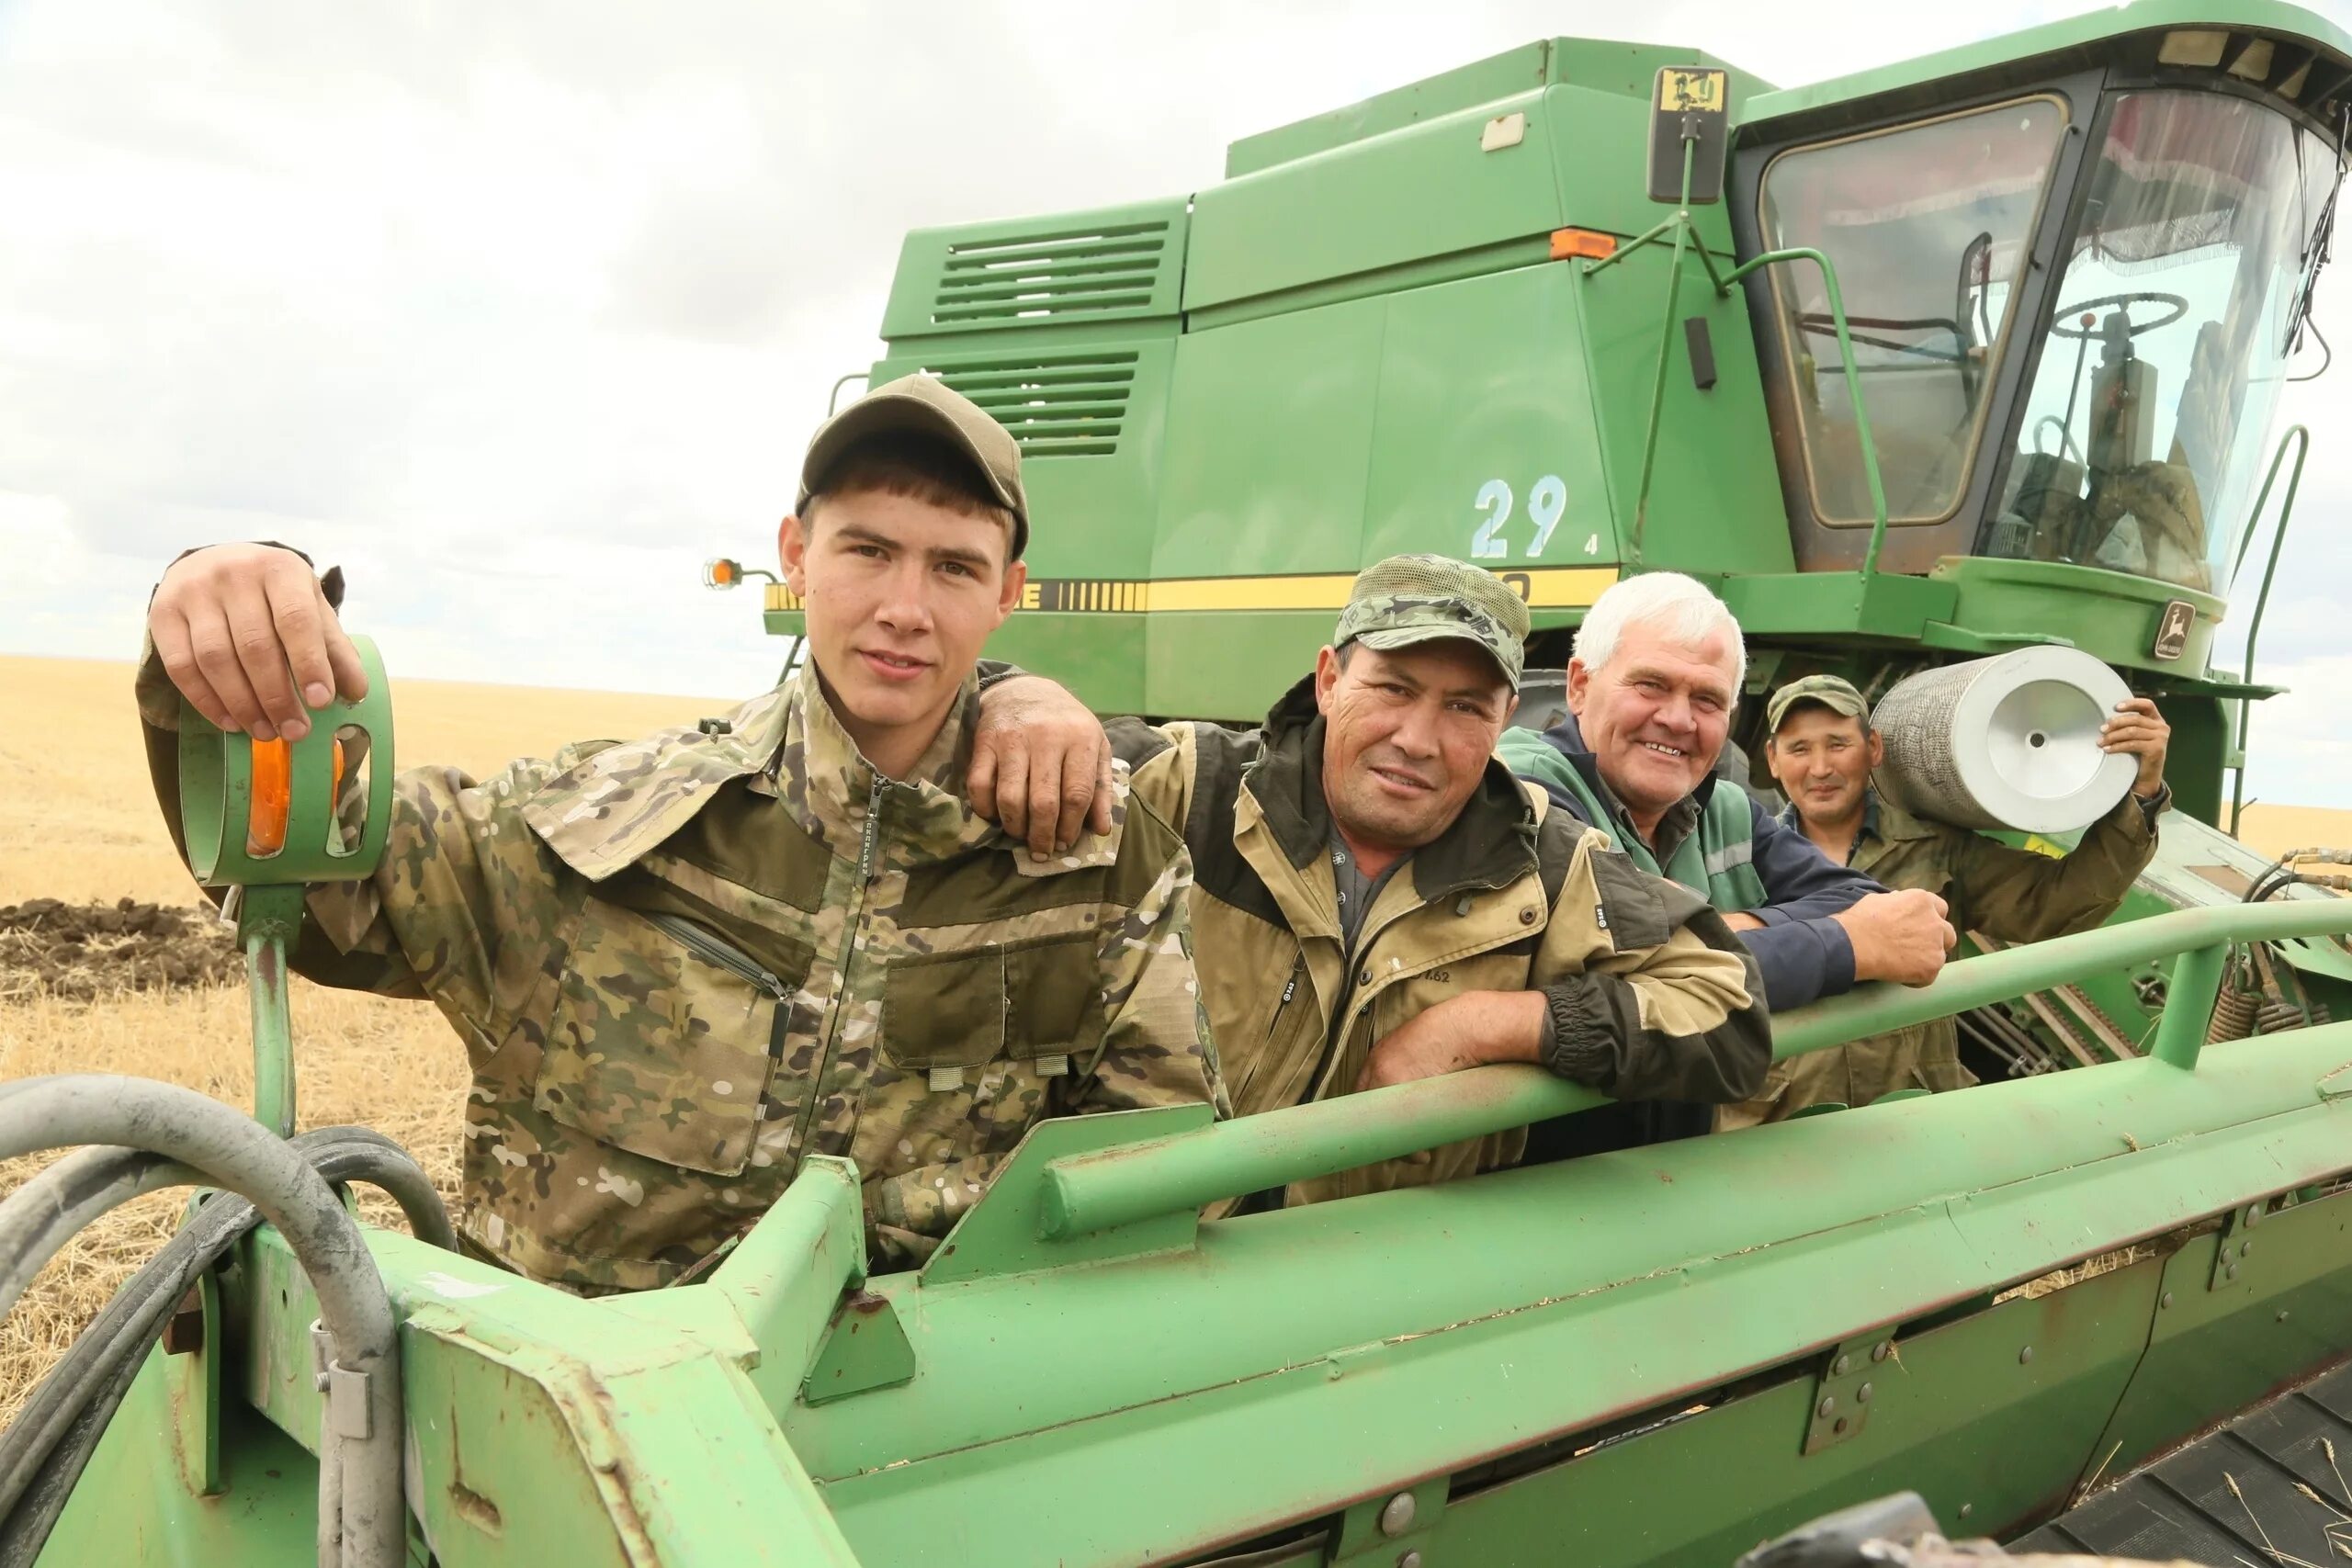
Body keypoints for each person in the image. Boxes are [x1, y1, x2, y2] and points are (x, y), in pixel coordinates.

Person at [136, 373, 1225, 1292]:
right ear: (796, 556)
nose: (905, 605)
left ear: (1008, 595)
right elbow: (324, 896)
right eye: (866, 551)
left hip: (909, 1447)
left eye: (953, 567)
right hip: (580, 1451)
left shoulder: (1090, 867)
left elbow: (1149, 1171)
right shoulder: (602, 829)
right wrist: (217, 629)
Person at [976, 555, 1772, 1206]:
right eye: (1392, 689)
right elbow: (906, 744)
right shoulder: (1187, 791)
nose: (1419, 739)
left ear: (1505, 721)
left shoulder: (1546, 864)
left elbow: (1729, 1011)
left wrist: (1492, 1024)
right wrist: (1011, 690)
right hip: (1123, 1264)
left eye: (1466, 707)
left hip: (1367, 1305)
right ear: (1329, 679)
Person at [1718, 672, 2170, 1126]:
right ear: (1773, 760)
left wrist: (2141, 792)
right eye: (1799, 749)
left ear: (1874, 749)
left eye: (1838, 744)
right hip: (1780, 1119)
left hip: (1915, 1111)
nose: (1820, 768)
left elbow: (2055, 902)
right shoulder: (1738, 859)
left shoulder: (1938, 848)